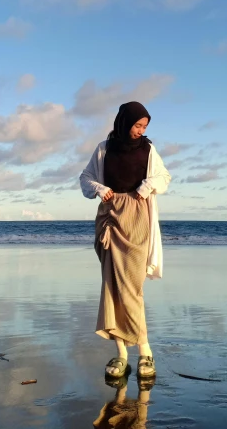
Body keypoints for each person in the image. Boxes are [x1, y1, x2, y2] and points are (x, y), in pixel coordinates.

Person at [79, 101, 171, 381]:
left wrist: (146, 186)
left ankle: (145, 351)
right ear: (124, 122)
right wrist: (100, 188)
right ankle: (122, 354)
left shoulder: (148, 149)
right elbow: (85, 178)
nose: (140, 131)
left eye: (144, 126)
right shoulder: (104, 148)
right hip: (109, 215)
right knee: (112, 285)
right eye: (137, 125)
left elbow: (163, 178)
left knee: (131, 286)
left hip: (137, 217)